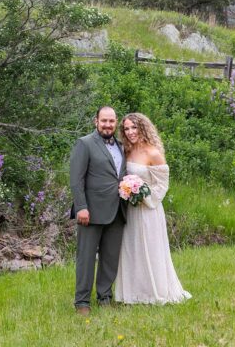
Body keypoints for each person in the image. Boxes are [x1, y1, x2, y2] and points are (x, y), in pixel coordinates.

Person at [114, 112, 191, 304]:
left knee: (150, 248)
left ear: (143, 128)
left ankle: (155, 293)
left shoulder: (153, 153)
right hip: (130, 209)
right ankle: (133, 294)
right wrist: (127, 191)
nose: (130, 132)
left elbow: (162, 185)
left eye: (134, 127)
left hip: (149, 209)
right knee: (132, 249)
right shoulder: (126, 151)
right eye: (126, 128)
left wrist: (142, 194)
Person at [69, 106, 127, 315]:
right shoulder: (85, 144)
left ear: (116, 122)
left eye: (111, 121)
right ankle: (82, 302)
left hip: (117, 212)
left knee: (110, 259)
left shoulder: (121, 146)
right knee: (85, 259)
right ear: (96, 121)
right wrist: (81, 207)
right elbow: (76, 179)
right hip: (91, 213)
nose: (107, 125)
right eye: (104, 121)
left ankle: (105, 297)